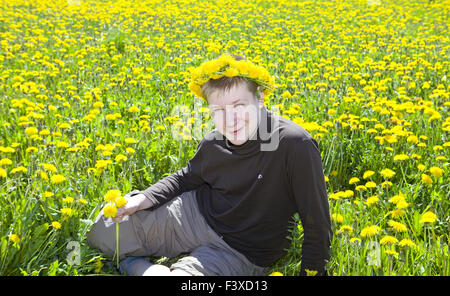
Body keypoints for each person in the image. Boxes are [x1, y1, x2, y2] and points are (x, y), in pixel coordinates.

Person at [86, 54, 332, 276]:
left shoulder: (294, 144)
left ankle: (137, 266)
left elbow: (317, 225)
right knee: (102, 231)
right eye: (219, 110)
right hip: (195, 215)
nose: (230, 119)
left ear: (260, 98)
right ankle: (139, 259)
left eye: (238, 105)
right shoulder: (213, 141)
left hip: (241, 250)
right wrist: (143, 200)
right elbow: (185, 177)